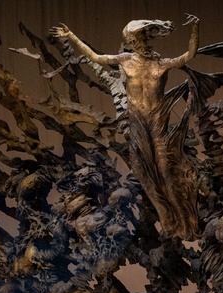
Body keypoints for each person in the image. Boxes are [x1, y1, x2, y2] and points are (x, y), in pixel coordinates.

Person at [51, 15, 201, 240]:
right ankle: (169, 222)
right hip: (137, 124)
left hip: (157, 123)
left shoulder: (160, 63)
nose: (137, 43)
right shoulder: (125, 60)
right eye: (133, 40)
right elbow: (95, 57)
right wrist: (71, 36)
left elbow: (189, 56)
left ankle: (187, 221)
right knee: (143, 172)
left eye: (139, 39)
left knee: (166, 169)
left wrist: (195, 28)